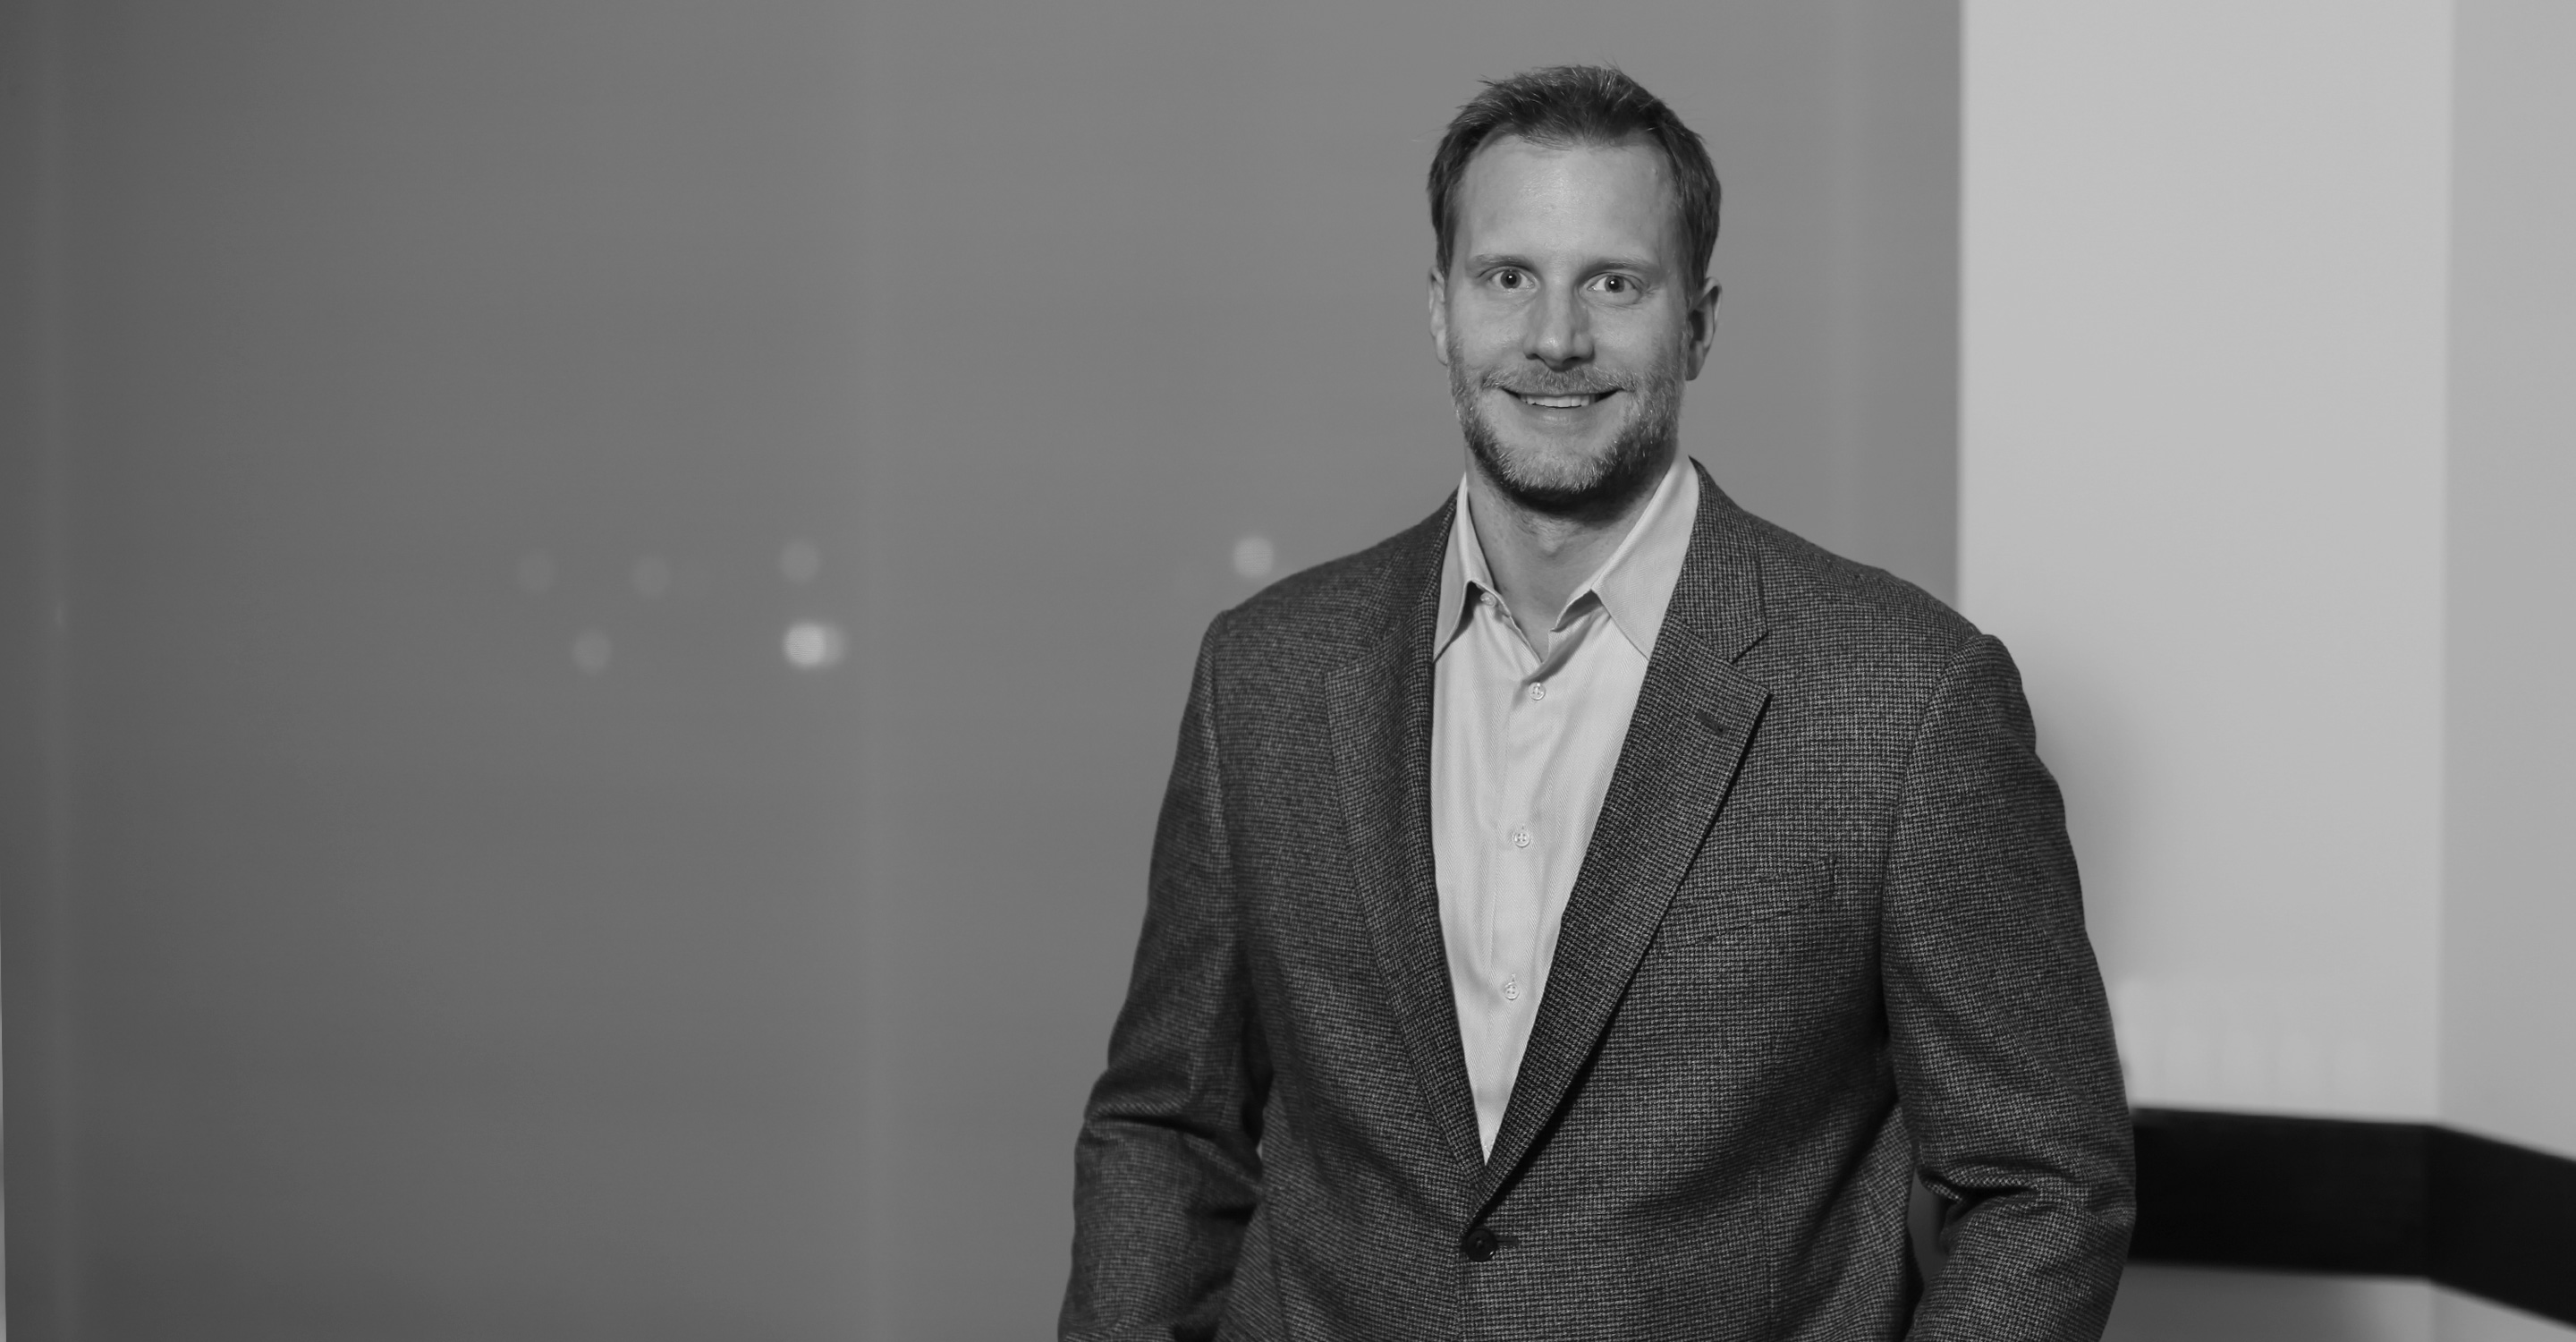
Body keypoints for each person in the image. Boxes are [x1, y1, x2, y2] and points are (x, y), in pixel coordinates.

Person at [1063, 65, 2131, 1340]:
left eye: (1614, 284)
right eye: (1506, 277)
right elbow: (1167, 1128)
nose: (1555, 337)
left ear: (1699, 324)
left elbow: (2045, 1184)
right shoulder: (1269, 674)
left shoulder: (1906, 699)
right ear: (1440, 309)